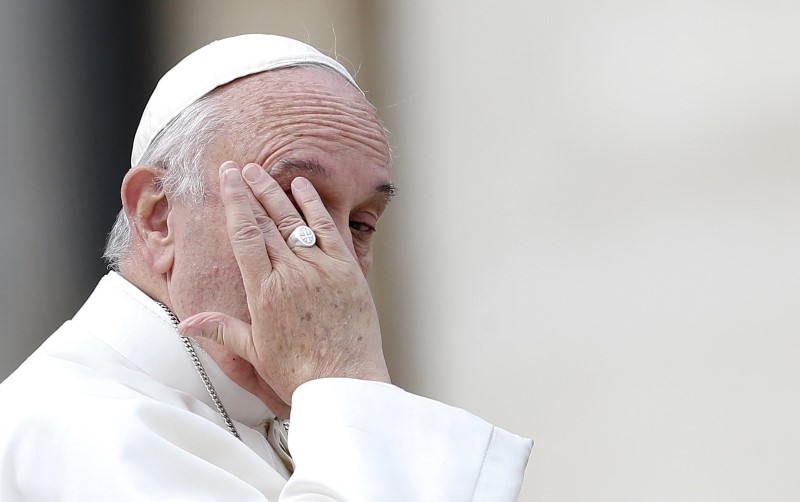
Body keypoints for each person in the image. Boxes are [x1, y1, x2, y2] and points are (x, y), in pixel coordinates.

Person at [0, 34, 532, 501]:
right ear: (157, 214)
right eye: (292, 207)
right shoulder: (76, 428)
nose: (336, 262)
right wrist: (344, 377)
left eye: (362, 224)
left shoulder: (270, 418)